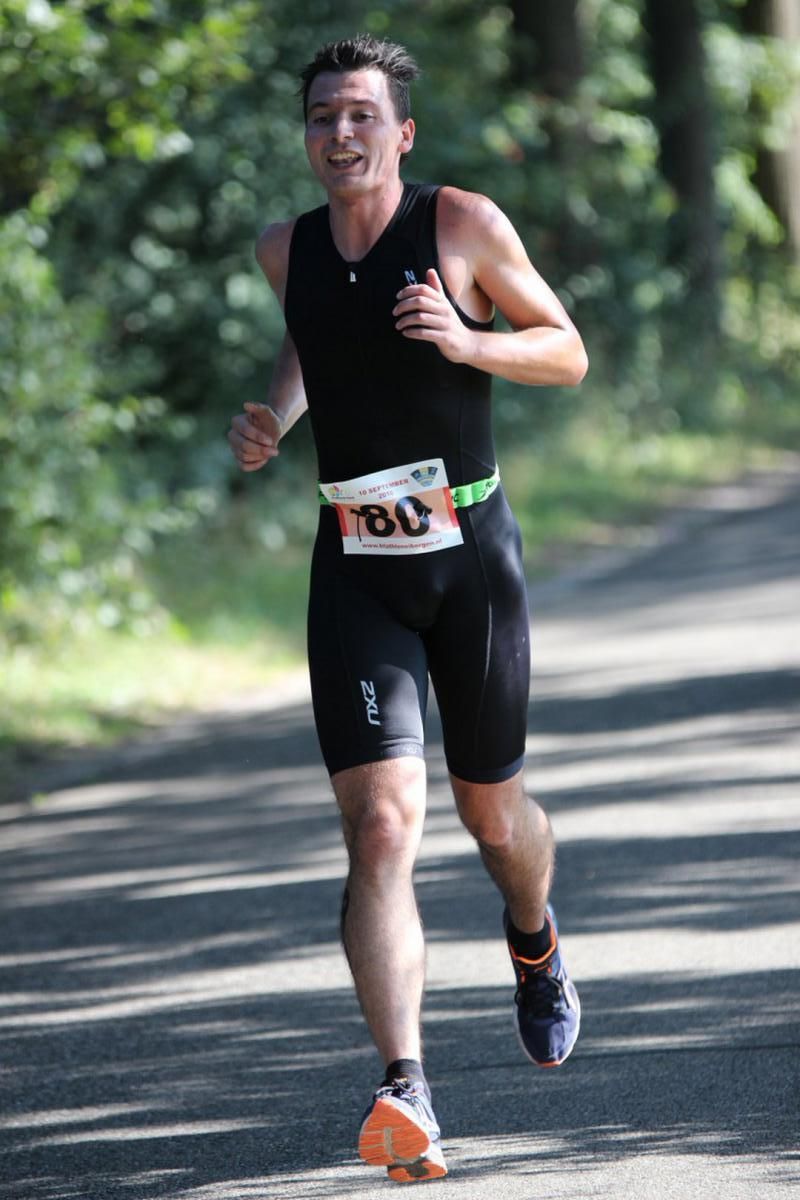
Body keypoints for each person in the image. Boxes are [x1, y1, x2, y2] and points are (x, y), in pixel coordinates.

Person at [228, 33, 587, 1184]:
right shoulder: (284, 248)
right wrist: (275, 418)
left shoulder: (459, 224)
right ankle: (404, 1087)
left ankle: (531, 939)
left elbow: (566, 351)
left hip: (468, 556)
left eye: (361, 115)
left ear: (401, 132)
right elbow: (312, 342)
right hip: (354, 561)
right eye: (322, 116)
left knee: (493, 819)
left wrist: (467, 341)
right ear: (306, 134)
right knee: (381, 825)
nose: (340, 133)